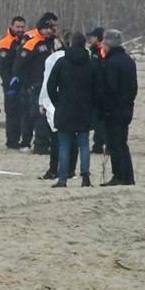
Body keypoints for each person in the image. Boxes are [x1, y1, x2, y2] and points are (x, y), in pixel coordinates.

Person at [47, 33, 100, 188]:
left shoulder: (61, 62)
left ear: (70, 44)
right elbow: (97, 88)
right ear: (84, 45)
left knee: (64, 143)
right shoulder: (91, 64)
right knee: (83, 143)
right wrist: (92, 105)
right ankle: (85, 177)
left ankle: (62, 178)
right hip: (84, 109)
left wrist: (57, 101)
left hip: (65, 107)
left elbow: (51, 86)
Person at [12, 18, 57, 154]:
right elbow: (19, 65)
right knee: (37, 115)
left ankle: (43, 142)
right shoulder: (32, 43)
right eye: (48, 28)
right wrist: (28, 83)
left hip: (46, 84)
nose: (50, 31)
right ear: (41, 28)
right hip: (35, 85)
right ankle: (38, 145)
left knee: (44, 114)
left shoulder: (49, 42)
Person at [38, 32, 78, 180]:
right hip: (75, 102)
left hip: (55, 102)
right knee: (73, 138)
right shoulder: (83, 57)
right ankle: (71, 169)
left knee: (56, 139)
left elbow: (47, 82)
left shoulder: (53, 59)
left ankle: (54, 169)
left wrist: (42, 102)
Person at [100, 29, 137, 186]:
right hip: (127, 108)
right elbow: (133, 88)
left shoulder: (111, 63)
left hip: (114, 110)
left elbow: (110, 89)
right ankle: (128, 176)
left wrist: (105, 108)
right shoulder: (128, 60)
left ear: (108, 44)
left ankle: (119, 176)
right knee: (122, 142)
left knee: (115, 144)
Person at [0, 16, 27, 149]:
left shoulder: (26, 40)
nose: (20, 29)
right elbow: (3, 68)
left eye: (22, 27)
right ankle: (12, 141)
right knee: (12, 113)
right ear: (12, 26)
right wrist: (9, 84)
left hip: (24, 82)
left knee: (24, 112)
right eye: (18, 27)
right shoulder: (5, 43)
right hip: (10, 83)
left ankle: (22, 139)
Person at [87, 27, 108, 154]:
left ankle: (100, 144)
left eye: (93, 37)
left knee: (101, 119)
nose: (90, 39)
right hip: (96, 89)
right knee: (97, 119)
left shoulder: (101, 51)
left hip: (100, 89)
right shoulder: (95, 50)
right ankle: (98, 144)